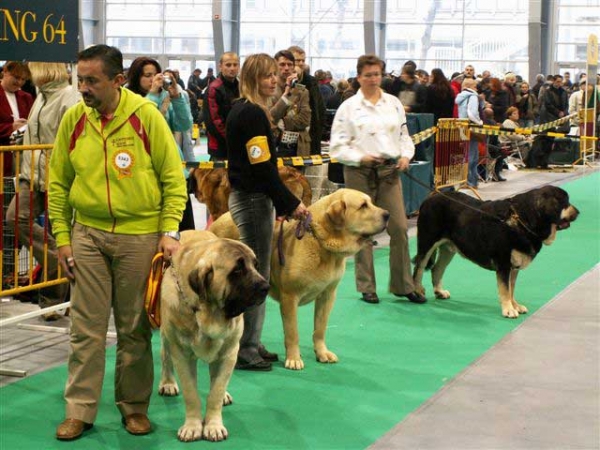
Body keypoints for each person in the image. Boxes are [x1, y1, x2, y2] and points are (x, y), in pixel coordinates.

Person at [49, 44, 187, 441]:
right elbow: (58, 183)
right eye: (80, 80)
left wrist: (169, 231)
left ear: (117, 80)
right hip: (86, 235)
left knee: (134, 329)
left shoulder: (146, 117)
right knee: (84, 330)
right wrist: (63, 238)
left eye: (92, 80)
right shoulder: (75, 119)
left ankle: (134, 408)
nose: (84, 88)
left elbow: (173, 179)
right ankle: (80, 410)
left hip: (139, 238)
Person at [225, 53, 309, 371]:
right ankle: (245, 348)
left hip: (253, 198)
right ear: (251, 78)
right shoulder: (251, 114)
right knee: (256, 278)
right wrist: (292, 204)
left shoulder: (250, 111)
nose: (274, 80)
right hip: (252, 199)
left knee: (260, 275)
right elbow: (263, 170)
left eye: (275, 74)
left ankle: (252, 340)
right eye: (266, 76)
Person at [329, 54, 426, 306]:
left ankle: (404, 285)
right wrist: (360, 158)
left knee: (400, 229)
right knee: (362, 231)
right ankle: (366, 286)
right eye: (368, 75)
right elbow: (337, 148)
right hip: (359, 171)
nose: (373, 79)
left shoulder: (393, 103)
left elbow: (405, 136)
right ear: (359, 77)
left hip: (390, 171)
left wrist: (406, 156)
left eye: (377, 74)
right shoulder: (348, 108)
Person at [5, 62, 78, 321]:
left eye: (31, 70)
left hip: (57, 178)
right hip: (31, 176)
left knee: (65, 231)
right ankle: (60, 260)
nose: (27, 77)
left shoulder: (70, 97)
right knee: (15, 217)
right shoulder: (41, 97)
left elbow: (72, 140)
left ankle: (55, 298)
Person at [126, 57, 194, 231]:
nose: (152, 80)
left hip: (170, 162)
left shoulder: (166, 97)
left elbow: (184, 124)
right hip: (142, 167)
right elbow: (140, 124)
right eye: (147, 75)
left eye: (155, 75)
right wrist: (153, 95)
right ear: (136, 77)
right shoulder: (126, 98)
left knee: (182, 228)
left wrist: (177, 97)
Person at [270, 50, 311, 158]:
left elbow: (305, 120)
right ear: (275, 66)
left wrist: (282, 122)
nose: (286, 68)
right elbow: (269, 118)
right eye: (282, 64)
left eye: (290, 65)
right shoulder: (268, 90)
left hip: (298, 148)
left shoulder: (302, 92)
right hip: (275, 145)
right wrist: (285, 96)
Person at [288, 45, 326, 155]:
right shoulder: (283, 81)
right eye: (297, 60)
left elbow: (320, 108)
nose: (300, 63)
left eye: (302, 60)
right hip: (289, 137)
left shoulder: (312, 82)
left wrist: (319, 132)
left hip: (310, 135)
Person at [204, 52, 240, 161]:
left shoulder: (241, 87)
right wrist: (232, 139)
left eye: (235, 65)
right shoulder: (213, 89)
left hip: (238, 146)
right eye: (228, 65)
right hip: (219, 147)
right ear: (220, 66)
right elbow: (214, 122)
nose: (232, 68)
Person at [0, 61, 34, 175]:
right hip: (3, 157)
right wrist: (11, 127)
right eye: (16, 77)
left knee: (15, 191)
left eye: (24, 79)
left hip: (21, 158)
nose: (19, 82)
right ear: (5, 72)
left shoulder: (27, 97)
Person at [456, 77, 484, 188]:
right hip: (471, 127)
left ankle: (466, 180)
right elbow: (472, 113)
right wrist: (480, 122)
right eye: (475, 86)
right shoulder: (472, 96)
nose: (476, 88)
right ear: (469, 86)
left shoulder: (461, 97)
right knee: (472, 155)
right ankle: (471, 182)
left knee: (465, 154)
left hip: (462, 127)